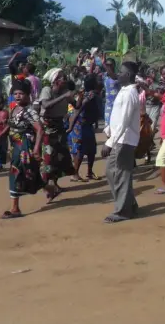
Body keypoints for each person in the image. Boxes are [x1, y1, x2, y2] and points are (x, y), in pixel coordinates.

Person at [0, 79, 45, 219]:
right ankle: (50, 189)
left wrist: (36, 148)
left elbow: (40, 130)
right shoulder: (14, 108)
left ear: (28, 94)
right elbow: (10, 124)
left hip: (26, 148)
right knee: (30, 173)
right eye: (15, 93)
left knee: (16, 173)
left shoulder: (29, 111)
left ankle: (15, 208)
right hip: (16, 147)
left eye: (21, 93)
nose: (18, 96)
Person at [101, 62, 142, 223]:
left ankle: (123, 211)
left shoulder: (129, 94)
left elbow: (124, 121)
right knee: (112, 173)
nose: (118, 74)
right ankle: (129, 204)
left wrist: (110, 142)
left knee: (120, 175)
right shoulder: (125, 91)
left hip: (124, 140)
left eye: (121, 72)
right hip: (119, 139)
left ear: (129, 75)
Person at [38, 68, 76, 201]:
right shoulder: (47, 90)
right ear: (55, 81)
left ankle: (54, 185)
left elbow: (76, 105)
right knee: (48, 158)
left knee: (59, 157)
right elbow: (46, 105)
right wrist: (63, 97)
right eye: (62, 78)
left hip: (60, 126)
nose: (64, 80)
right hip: (48, 128)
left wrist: (80, 99)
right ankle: (48, 186)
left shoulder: (66, 92)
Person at [66, 74, 100, 182]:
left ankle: (89, 172)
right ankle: (75, 173)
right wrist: (71, 127)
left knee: (92, 149)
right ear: (94, 84)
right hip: (81, 125)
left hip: (86, 125)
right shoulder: (89, 96)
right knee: (81, 150)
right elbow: (78, 110)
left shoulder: (88, 94)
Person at [103, 57, 119, 130]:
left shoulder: (118, 76)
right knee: (107, 127)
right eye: (107, 65)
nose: (108, 66)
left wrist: (104, 64)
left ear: (114, 65)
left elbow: (113, 76)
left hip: (117, 104)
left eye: (110, 65)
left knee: (116, 126)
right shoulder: (104, 75)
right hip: (108, 105)